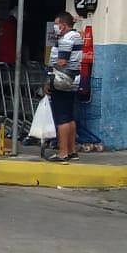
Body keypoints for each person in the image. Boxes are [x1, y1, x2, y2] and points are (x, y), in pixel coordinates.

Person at [46, 12, 83, 162]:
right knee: (69, 116)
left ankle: (63, 153)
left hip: (62, 80)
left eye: (56, 24)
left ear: (63, 25)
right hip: (72, 80)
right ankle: (72, 150)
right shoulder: (76, 36)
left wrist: (48, 78)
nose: (55, 27)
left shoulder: (67, 39)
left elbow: (62, 62)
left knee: (62, 118)